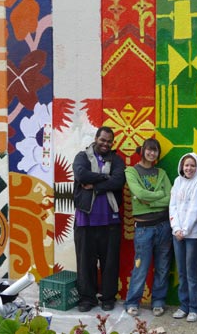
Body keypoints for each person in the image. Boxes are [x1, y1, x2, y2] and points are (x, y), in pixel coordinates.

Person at [72, 126, 126, 312]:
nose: (105, 144)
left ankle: (108, 298)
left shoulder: (116, 160)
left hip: (110, 221)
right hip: (84, 221)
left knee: (110, 263)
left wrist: (95, 186)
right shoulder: (82, 157)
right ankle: (87, 298)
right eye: (103, 140)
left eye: (109, 141)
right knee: (85, 262)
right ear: (96, 138)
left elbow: (119, 180)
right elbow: (81, 174)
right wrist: (105, 177)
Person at [124, 138, 173, 317]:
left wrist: (149, 202)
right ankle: (132, 302)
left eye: (155, 151)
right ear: (143, 150)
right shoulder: (131, 171)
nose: (152, 153)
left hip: (164, 226)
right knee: (141, 266)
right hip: (144, 228)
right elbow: (138, 193)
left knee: (162, 266)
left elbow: (170, 197)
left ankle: (158, 302)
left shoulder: (161, 173)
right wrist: (158, 197)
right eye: (149, 150)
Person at [169, 153, 197, 322]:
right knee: (181, 272)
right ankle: (183, 306)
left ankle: (194, 308)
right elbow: (173, 206)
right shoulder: (177, 182)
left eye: (192, 165)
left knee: (191, 272)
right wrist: (176, 228)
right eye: (186, 165)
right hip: (177, 234)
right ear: (182, 166)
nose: (189, 168)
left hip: (192, 235)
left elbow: (195, 207)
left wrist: (185, 229)